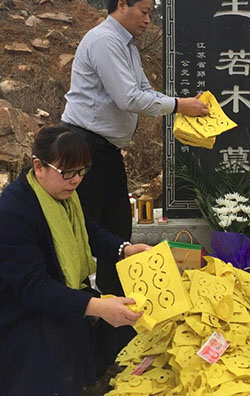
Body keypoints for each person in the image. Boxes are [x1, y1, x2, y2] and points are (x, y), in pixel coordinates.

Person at [61, 0, 208, 294]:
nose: (147, 20)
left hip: (106, 150)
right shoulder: (104, 41)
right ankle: (81, 303)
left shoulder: (127, 46)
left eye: (151, 13)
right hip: (83, 147)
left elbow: (142, 90)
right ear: (122, 5)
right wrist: (180, 105)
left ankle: (115, 303)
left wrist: (178, 106)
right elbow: (128, 98)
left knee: (116, 228)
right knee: (86, 229)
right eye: (144, 11)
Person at [0, 125, 150, 396]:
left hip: (63, 296)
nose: (76, 180)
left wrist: (124, 250)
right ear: (38, 166)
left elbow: (87, 230)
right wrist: (96, 306)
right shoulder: (14, 211)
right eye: (68, 172)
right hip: (24, 313)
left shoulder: (63, 195)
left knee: (129, 332)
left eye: (82, 171)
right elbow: (34, 287)